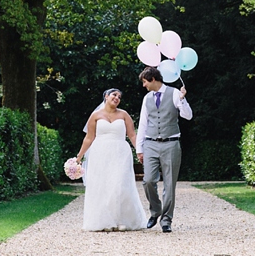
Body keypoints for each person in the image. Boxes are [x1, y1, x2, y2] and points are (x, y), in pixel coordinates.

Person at [75, 88, 147, 231]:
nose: (117, 98)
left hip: (120, 152)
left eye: (119, 97)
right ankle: (105, 221)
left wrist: (140, 152)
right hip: (100, 153)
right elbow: (89, 137)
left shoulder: (124, 114)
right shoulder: (95, 115)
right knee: (102, 186)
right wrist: (79, 156)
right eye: (114, 95)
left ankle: (121, 220)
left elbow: (132, 135)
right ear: (106, 96)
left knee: (120, 185)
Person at [135, 66, 192, 233]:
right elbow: (143, 124)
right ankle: (155, 210)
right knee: (148, 180)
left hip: (171, 143)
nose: (144, 85)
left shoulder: (174, 93)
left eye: (145, 82)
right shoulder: (147, 98)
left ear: (153, 79)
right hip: (151, 143)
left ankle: (166, 220)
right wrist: (140, 149)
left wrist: (182, 99)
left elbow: (188, 116)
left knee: (169, 184)